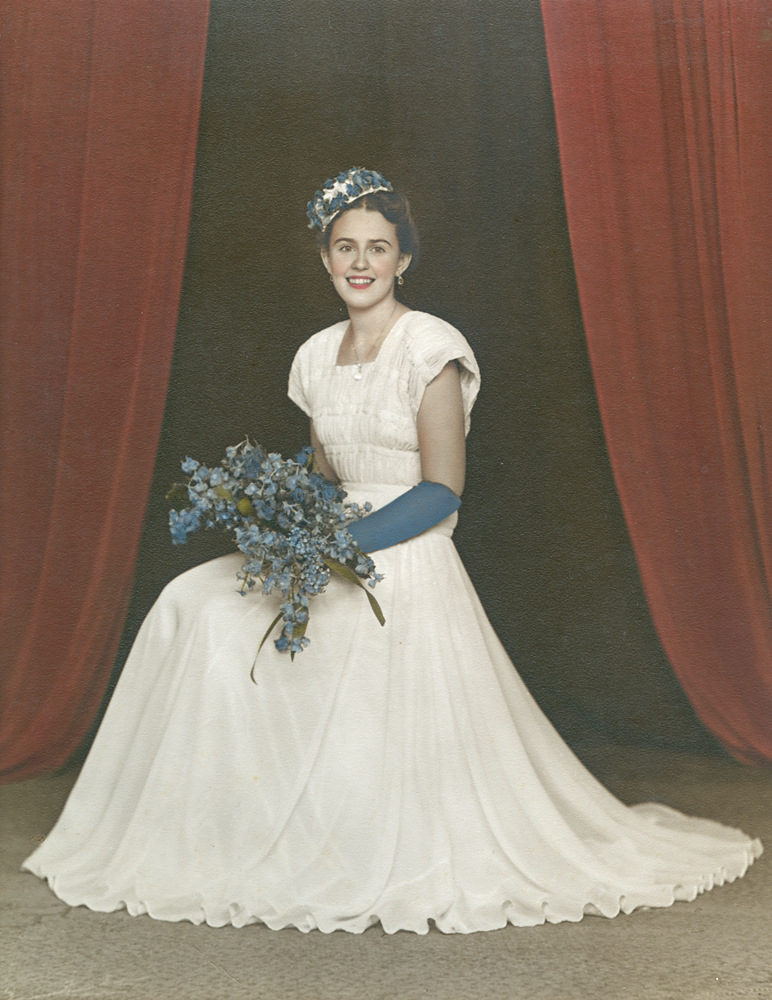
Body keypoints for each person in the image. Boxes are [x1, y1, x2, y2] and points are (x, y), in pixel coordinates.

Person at [23, 167, 762, 935]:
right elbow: (322, 476)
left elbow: (442, 490)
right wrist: (281, 520)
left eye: (378, 248)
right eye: (345, 247)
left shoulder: (431, 347)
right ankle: (213, 835)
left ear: (403, 259)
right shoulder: (314, 355)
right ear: (325, 259)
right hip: (330, 538)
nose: (361, 263)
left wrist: (336, 544)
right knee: (192, 602)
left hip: (404, 551)